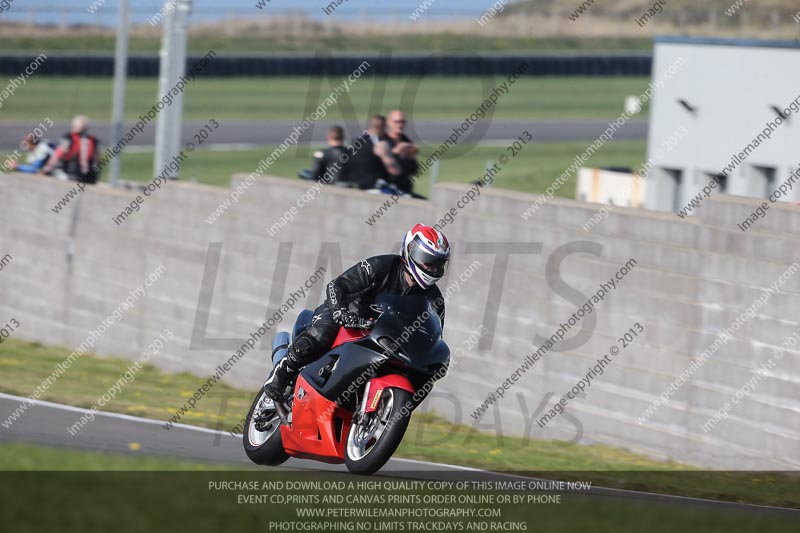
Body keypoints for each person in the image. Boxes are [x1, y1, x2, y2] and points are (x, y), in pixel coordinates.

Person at [264, 224, 451, 401]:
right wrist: (341, 312)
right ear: (410, 251)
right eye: (428, 261)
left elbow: (433, 336)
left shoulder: (434, 300)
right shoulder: (381, 266)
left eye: (438, 264)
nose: (432, 268)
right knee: (321, 335)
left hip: (384, 338)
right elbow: (337, 285)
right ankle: (282, 373)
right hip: (348, 315)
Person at [347, 115, 402, 190]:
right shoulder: (380, 143)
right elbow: (394, 170)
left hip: (356, 186)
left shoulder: (355, 142)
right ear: (383, 127)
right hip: (375, 187)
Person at [41, 115, 100, 183]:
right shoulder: (94, 140)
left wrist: (46, 170)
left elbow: (58, 154)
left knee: (54, 172)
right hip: (89, 177)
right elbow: (97, 160)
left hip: (70, 175)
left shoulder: (69, 138)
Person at [384, 110, 420, 195]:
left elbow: (413, 171)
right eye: (396, 122)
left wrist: (411, 157)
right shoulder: (383, 142)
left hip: (404, 188)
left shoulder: (406, 141)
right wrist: (396, 152)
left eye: (402, 122)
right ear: (388, 123)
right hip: (387, 189)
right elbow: (380, 167)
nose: (400, 125)